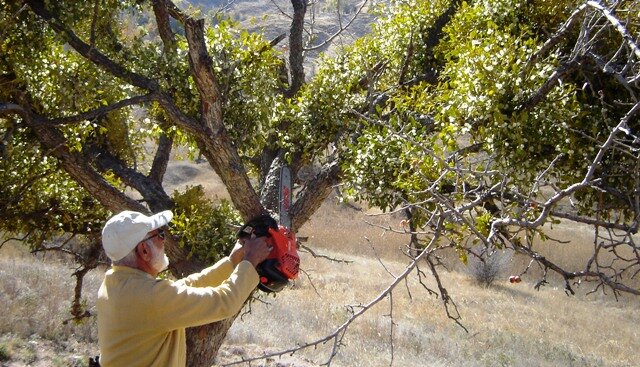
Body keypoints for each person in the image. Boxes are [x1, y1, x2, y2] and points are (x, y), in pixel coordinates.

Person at [96, 210, 271, 367]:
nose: (164, 241)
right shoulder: (150, 297)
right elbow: (224, 302)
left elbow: (184, 287)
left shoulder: (114, 284)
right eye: (160, 235)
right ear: (144, 250)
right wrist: (250, 260)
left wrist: (231, 262)